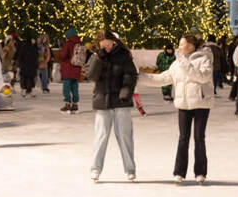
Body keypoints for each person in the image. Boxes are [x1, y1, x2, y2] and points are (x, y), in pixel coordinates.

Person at [141, 34, 213, 184]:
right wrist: (139, 76)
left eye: (182, 44)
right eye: (179, 44)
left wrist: (186, 65)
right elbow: (162, 78)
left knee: (199, 138)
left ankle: (200, 172)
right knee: (183, 139)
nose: (179, 47)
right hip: (184, 104)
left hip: (201, 103)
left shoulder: (204, 58)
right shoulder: (177, 63)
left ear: (191, 46)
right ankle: (179, 172)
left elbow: (203, 77)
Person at [85, 30, 138, 182]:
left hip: (121, 102)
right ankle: (95, 169)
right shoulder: (96, 56)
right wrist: (99, 58)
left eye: (108, 45)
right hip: (103, 102)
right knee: (101, 136)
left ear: (113, 41)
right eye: (103, 46)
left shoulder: (123, 55)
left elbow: (130, 76)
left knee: (125, 136)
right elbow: (91, 76)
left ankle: (130, 169)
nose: (106, 48)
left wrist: (126, 93)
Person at [58, 28, 84, 114]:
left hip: (68, 68)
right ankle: (75, 104)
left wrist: (60, 51)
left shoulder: (68, 44)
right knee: (74, 87)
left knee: (66, 87)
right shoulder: (80, 43)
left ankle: (67, 104)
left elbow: (63, 56)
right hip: (76, 68)